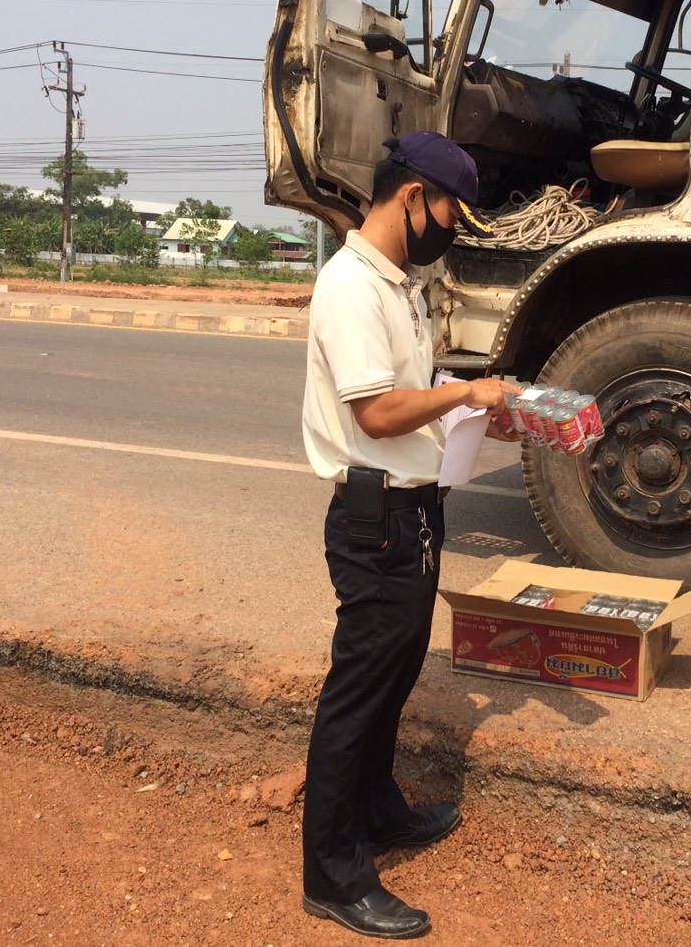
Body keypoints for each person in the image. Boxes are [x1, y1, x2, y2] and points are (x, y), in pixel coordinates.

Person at [300, 131, 519, 938]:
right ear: (414, 197)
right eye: (453, 215)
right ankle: (333, 875)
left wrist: (475, 410)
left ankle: (379, 811)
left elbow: (412, 394)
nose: (451, 232)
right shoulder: (351, 287)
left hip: (412, 513)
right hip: (376, 521)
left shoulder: (399, 287)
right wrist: (464, 392)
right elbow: (378, 412)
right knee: (356, 695)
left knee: (392, 681)